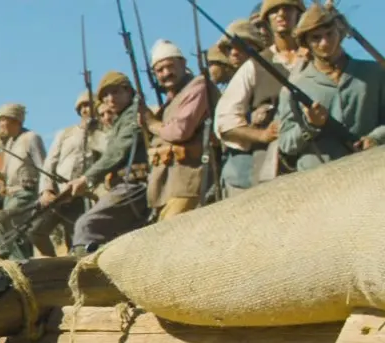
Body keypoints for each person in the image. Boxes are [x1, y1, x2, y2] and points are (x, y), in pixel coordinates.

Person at [276, 5, 385, 172]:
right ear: (306, 42)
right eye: (316, 37)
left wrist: (375, 138)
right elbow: (286, 144)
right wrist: (310, 125)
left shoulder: (374, 73)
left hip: (369, 171)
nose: (325, 42)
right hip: (317, 178)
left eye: (330, 34)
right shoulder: (295, 87)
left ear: (339, 33)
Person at [218, 0, 312, 188]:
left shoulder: (317, 56)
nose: (281, 14)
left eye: (287, 8)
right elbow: (225, 121)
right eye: (274, 10)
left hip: (315, 155)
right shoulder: (254, 66)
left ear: (299, 14)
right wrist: (262, 135)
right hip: (271, 164)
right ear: (267, 19)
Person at [66, 71, 151, 253]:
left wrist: (86, 178)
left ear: (128, 91)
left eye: (115, 92)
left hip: (135, 186)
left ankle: (85, 268)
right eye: (105, 95)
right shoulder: (121, 118)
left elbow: (117, 152)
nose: (110, 99)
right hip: (122, 185)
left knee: (86, 226)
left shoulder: (134, 114)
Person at [144, 40, 213, 219]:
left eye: (170, 66)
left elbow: (180, 131)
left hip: (191, 179)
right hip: (170, 183)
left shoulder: (198, 87)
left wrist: (152, 124)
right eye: (160, 70)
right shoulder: (171, 99)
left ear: (183, 64)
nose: (166, 73)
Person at [34, 92, 94, 257]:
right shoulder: (66, 133)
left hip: (82, 196)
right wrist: (46, 190)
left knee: (76, 241)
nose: (85, 110)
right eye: (82, 107)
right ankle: (53, 263)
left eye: (89, 105)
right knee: (36, 231)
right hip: (59, 194)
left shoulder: (101, 134)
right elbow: (49, 163)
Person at [0, 103, 46, 259]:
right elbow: (5, 176)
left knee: (9, 223)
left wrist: (45, 192)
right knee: (13, 232)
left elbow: (44, 167)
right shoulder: (10, 143)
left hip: (26, 194)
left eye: (3, 120)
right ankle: (10, 262)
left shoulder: (31, 138)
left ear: (15, 120)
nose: (0, 125)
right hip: (10, 195)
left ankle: (18, 263)